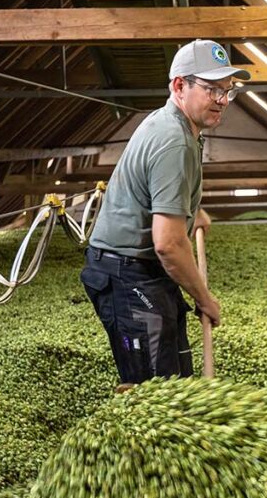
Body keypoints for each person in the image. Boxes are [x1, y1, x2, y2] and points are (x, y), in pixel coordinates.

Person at [81, 39, 250, 392]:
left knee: (176, 379)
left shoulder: (176, 125)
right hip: (128, 275)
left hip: (141, 270)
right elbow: (169, 245)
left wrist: (191, 211)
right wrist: (204, 298)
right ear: (179, 86)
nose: (222, 100)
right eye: (211, 89)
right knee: (153, 391)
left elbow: (157, 191)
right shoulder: (173, 139)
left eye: (227, 90)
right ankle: (137, 445)